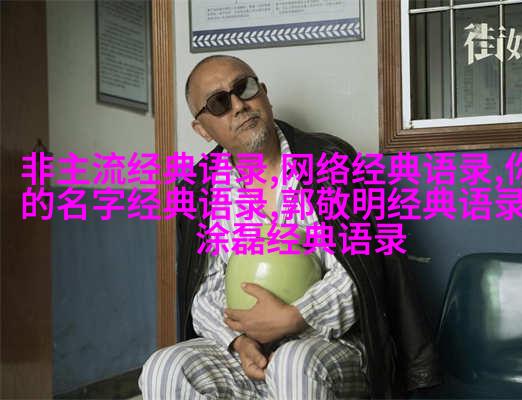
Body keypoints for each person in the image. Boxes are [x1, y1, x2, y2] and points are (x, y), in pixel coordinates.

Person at [139, 55, 439, 399]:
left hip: (330, 346)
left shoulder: (332, 162)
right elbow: (204, 293)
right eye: (219, 103)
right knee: (164, 367)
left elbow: (359, 274)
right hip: (247, 350)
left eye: (244, 88)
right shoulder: (199, 189)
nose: (238, 105)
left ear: (264, 94)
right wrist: (239, 341)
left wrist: (296, 317)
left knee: (293, 362)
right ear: (203, 130)